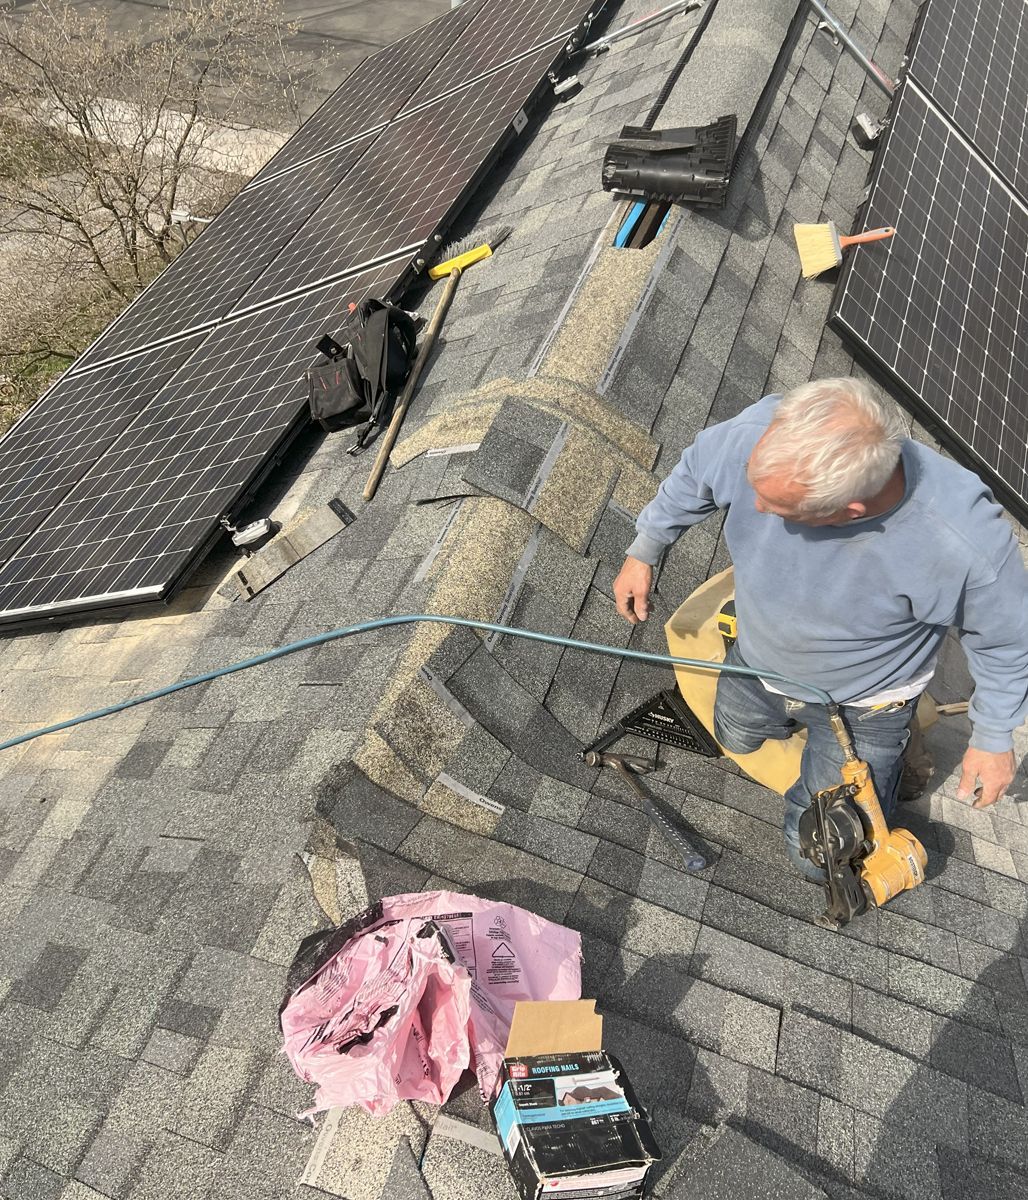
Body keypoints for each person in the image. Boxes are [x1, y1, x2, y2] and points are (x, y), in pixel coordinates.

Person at [612, 378, 1028, 881]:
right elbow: (698, 472)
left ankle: (898, 757)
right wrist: (645, 548)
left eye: (779, 508)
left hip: (867, 701)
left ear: (848, 513)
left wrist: (992, 736)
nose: (754, 509)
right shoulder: (766, 436)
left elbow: (1007, 643)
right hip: (759, 657)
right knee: (737, 736)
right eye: (754, 487)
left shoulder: (961, 544)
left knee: (822, 860)